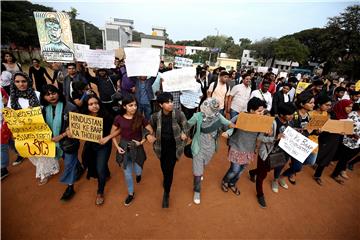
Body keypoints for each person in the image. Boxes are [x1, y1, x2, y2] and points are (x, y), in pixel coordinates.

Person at [8, 72, 60, 184]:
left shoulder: (37, 94)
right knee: (32, 153)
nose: (21, 84)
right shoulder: (11, 98)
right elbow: (11, 117)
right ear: (13, 83)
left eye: (23, 81)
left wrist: (36, 110)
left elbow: (46, 108)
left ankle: (43, 174)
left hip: (39, 130)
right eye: (17, 81)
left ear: (28, 81)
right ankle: (46, 169)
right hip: (23, 133)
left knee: (41, 152)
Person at [110, 95, 155, 206]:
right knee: (128, 174)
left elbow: (150, 130)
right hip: (124, 147)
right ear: (124, 106)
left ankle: (139, 174)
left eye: (135, 105)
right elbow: (112, 134)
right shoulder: (118, 118)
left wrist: (141, 142)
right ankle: (131, 193)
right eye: (131, 105)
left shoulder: (140, 118)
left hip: (138, 147)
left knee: (138, 169)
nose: (134, 108)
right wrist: (117, 147)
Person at [248, 102, 296, 208]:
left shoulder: (290, 123)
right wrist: (274, 138)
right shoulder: (271, 122)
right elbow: (260, 138)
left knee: (266, 170)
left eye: (293, 114)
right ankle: (260, 195)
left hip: (278, 153)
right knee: (262, 175)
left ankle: (252, 172)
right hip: (266, 152)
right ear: (282, 114)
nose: (292, 116)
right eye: (289, 114)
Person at [187, 98, 234, 204]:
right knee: (198, 172)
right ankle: (197, 191)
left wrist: (229, 133)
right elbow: (186, 125)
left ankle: (200, 171)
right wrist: (182, 132)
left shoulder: (218, 116)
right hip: (198, 146)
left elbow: (231, 125)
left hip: (211, 147)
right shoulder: (197, 116)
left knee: (204, 163)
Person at [40, 84, 83, 199]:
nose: (51, 96)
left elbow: (78, 126)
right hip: (55, 144)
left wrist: (62, 135)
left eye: (53, 93)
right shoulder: (43, 110)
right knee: (67, 159)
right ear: (43, 97)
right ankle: (79, 167)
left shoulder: (70, 107)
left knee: (68, 164)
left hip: (69, 143)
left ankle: (70, 187)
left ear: (58, 93)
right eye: (47, 94)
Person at [149, 92, 188, 208]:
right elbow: (149, 128)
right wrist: (148, 136)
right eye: (167, 102)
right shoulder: (155, 116)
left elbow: (186, 127)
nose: (171, 104)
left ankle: (166, 193)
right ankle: (166, 179)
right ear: (161, 105)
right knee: (163, 167)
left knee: (169, 169)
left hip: (174, 147)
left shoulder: (179, 114)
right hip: (161, 147)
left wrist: (184, 134)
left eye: (171, 101)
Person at [221, 98, 266, 197]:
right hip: (236, 147)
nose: (262, 113)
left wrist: (266, 134)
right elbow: (226, 125)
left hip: (249, 150)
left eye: (263, 111)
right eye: (259, 111)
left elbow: (260, 136)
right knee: (234, 170)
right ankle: (225, 181)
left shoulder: (262, 121)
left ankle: (232, 183)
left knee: (241, 170)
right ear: (251, 110)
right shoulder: (240, 117)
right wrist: (230, 128)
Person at [81, 95, 116, 205]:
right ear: (86, 106)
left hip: (104, 145)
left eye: (96, 103)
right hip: (90, 145)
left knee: (100, 168)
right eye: (90, 104)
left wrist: (107, 138)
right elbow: (75, 129)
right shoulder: (82, 116)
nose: (94, 106)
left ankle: (100, 192)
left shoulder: (107, 116)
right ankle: (108, 174)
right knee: (97, 163)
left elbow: (118, 129)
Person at [279, 91, 316, 185]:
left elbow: (309, 131)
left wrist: (315, 130)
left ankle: (282, 176)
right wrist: (305, 130)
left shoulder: (310, 116)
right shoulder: (293, 114)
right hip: (288, 145)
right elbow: (287, 129)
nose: (313, 104)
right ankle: (276, 178)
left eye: (313, 102)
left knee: (298, 167)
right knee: (280, 164)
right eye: (310, 102)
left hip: (300, 146)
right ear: (302, 104)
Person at [313, 99, 353, 185]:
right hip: (325, 138)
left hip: (336, 140)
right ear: (342, 106)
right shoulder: (331, 114)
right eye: (348, 106)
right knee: (317, 154)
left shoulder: (346, 117)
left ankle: (317, 175)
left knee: (327, 157)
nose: (350, 109)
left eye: (351, 107)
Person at [1, 87, 11, 180]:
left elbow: (8, 103)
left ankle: (3, 168)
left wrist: (5, 103)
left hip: (3, 120)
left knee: (2, 143)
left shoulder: (1, 90)